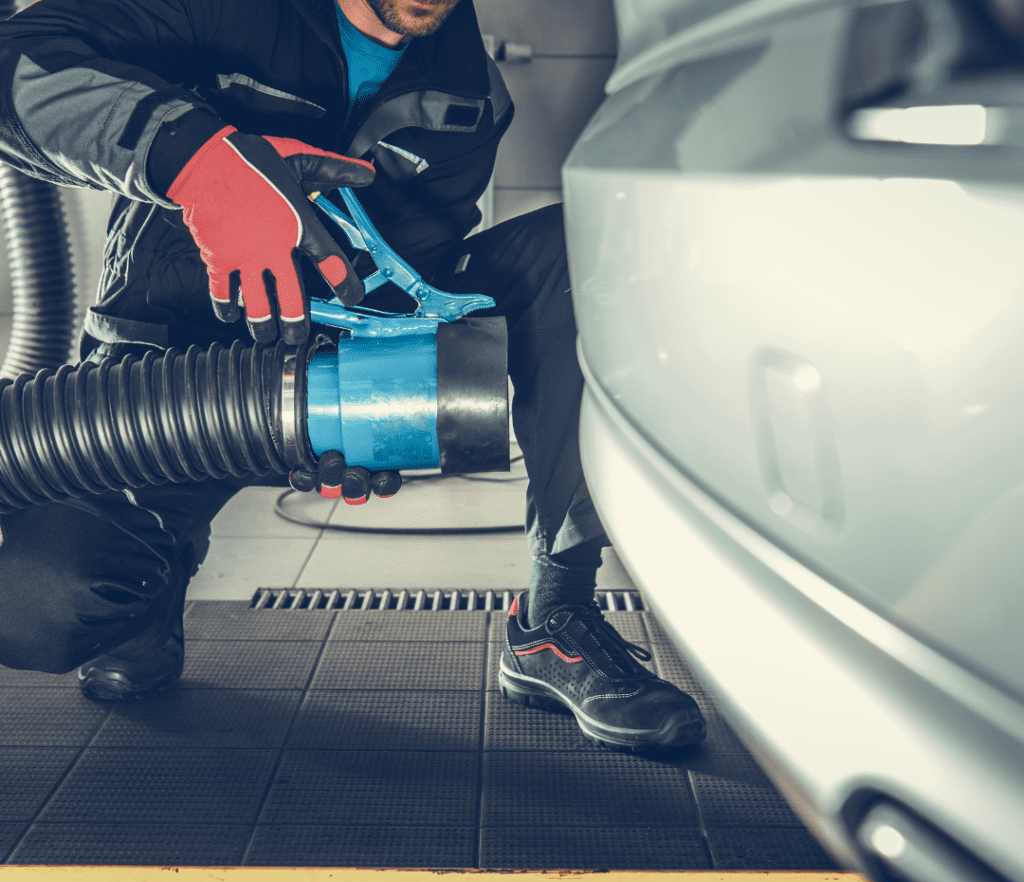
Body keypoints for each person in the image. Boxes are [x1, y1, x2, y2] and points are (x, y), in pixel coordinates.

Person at [0, 0, 705, 752]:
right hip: (161, 378)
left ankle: (554, 620)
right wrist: (199, 162)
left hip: (321, 377)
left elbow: (416, 269)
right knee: (46, 606)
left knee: (587, 251)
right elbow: (17, 61)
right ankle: (158, 564)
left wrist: (383, 411)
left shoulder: (470, 91)